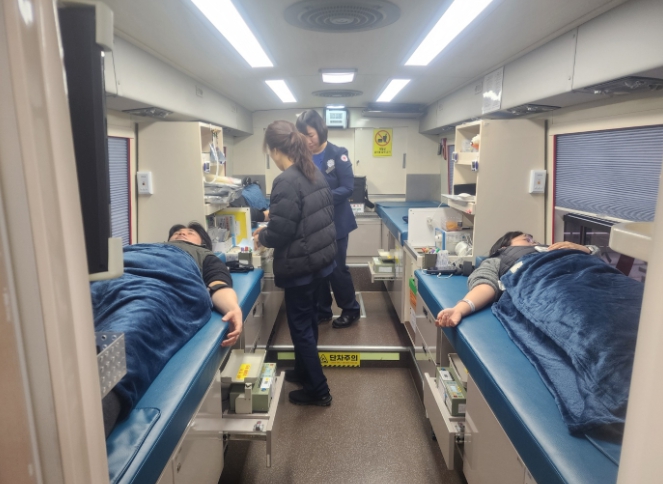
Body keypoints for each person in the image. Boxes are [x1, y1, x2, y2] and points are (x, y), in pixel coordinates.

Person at [253, 120, 336, 406]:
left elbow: (282, 231)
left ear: (276, 150)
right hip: (319, 261)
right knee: (309, 320)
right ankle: (303, 371)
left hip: (301, 266)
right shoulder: (311, 171)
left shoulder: (286, 180)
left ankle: (318, 390)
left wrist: (262, 236)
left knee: (300, 326)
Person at [435, 231, 600, 327]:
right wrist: (459, 309)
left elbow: (599, 264)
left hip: (591, 278)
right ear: (505, 247)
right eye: (527, 239)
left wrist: (585, 249)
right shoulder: (498, 260)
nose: (534, 242)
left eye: (534, 240)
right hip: (554, 288)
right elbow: (485, 286)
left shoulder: (560, 249)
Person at [296, 110, 360, 329]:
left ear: (320, 131)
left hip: (337, 223)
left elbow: (348, 188)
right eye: (303, 137)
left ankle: (350, 309)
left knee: (337, 268)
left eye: (311, 135)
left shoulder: (338, 154)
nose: (308, 141)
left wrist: (320, 197)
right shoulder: (301, 157)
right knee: (318, 269)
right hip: (313, 225)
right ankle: (323, 310)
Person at [167, 222, 243, 346]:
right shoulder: (149, 247)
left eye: (190, 233)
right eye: (177, 233)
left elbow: (218, 284)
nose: (182, 233)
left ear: (203, 244)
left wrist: (233, 308)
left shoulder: (204, 255)